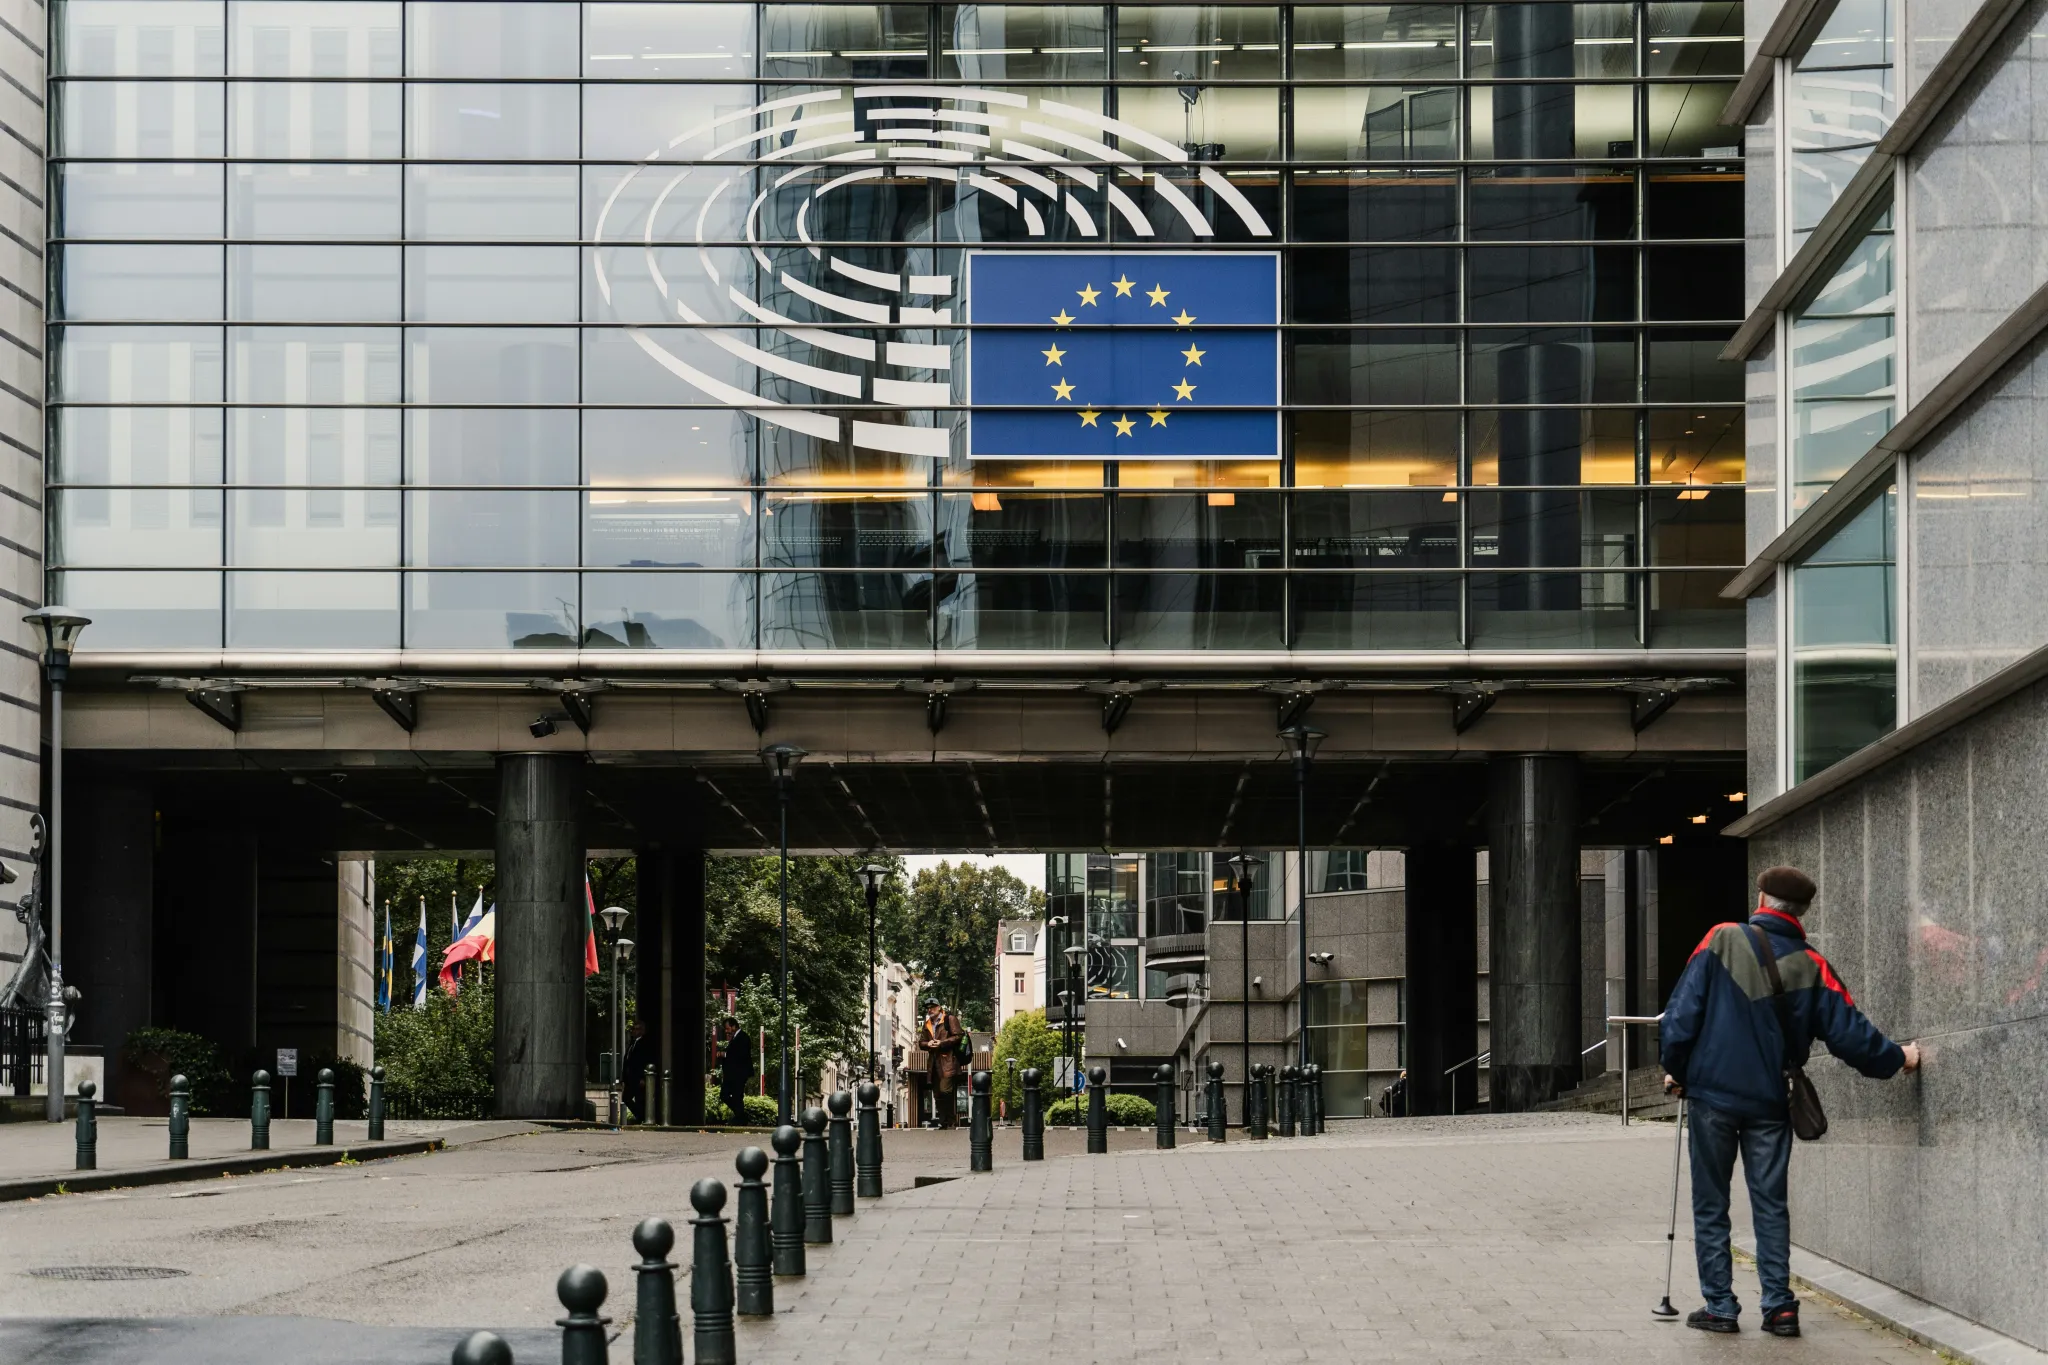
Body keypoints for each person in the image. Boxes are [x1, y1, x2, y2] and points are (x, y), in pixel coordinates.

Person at [1660, 865, 1922, 1337]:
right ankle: (1779, 1307)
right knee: (1770, 1203)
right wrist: (1898, 1058)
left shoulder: (1720, 939)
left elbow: (1679, 1017)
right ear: (1802, 912)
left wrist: (1677, 1072)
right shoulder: (1812, 963)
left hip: (1713, 1098)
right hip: (1770, 1102)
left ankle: (1720, 1306)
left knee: (1711, 1203)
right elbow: (1851, 1034)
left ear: (1761, 899)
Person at [918, 998, 964, 1129]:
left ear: (939, 1008)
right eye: (928, 1007)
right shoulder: (927, 1024)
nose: (930, 1010)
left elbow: (958, 1036)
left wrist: (942, 1043)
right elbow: (921, 1043)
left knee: (945, 1091)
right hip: (933, 1064)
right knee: (937, 1094)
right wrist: (928, 1043)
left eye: (932, 1007)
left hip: (948, 1061)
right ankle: (944, 1122)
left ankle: (951, 1120)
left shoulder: (949, 1019)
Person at [717, 1016, 753, 1125]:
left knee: (736, 1095)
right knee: (727, 1095)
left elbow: (741, 1055)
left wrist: (725, 1054)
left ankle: (741, 1117)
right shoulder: (734, 1039)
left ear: (734, 1026)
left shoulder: (743, 1037)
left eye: (728, 1028)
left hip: (739, 1073)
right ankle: (740, 1116)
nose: (726, 1031)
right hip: (732, 1074)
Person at [620, 1019, 656, 1124]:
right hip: (631, 1078)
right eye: (634, 1029)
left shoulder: (645, 1043)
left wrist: (643, 1078)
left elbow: (645, 1061)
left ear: (643, 1030)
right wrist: (623, 1078)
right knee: (627, 1097)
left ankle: (642, 1117)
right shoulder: (632, 1043)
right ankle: (640, 1116)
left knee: (635, 1098)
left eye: (638, 1029)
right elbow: (627, 1060)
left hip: (638, 1077)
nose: (635, 1031)